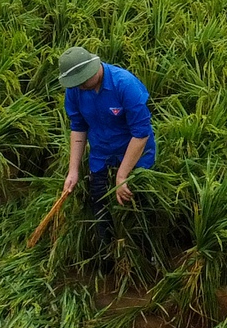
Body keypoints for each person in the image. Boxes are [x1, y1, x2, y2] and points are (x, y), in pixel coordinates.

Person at [57, 47, 155, 256]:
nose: (80, 86)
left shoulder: (125, 84)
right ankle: (107, 257)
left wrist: (122, 175)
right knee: (100, 209)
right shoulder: (75, 90)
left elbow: (141, 133)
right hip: (101, 156)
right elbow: (78, 126)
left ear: (94, 68)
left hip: (135, 156)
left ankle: (144, 258)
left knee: (138, 213)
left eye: (83, 80)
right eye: (76, 83)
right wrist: (72, 170)